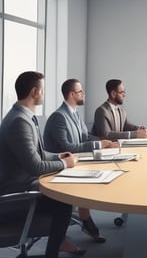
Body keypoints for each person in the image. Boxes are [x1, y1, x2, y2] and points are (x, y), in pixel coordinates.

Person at [0, 71, 79, 258]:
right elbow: (35, 167)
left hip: (21, 188)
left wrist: (58, 156)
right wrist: (64, 164)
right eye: (43, 90)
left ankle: (57, 246)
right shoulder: (19, 122)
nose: (44, 94)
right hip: (15, 197)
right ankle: (53, 252)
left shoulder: (21, 116)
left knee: (63, 196)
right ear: (34, 92)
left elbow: (36, 155)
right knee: (64, 201)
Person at [44, 78, 118, 243]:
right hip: (58, 168)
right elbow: (68, 147)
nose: (84, 94)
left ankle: (85, 218)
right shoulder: (59, 117)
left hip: (75, 163)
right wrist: (98, 144)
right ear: (72, 94)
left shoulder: (75, 113)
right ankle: (81, 222)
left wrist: (104, 142)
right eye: (80, 92)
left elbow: (84, 137)